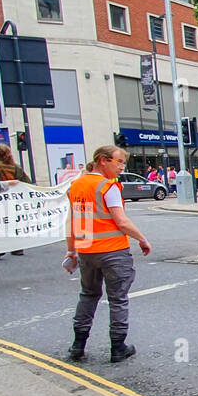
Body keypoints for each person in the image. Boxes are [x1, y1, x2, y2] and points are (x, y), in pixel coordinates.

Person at [64, 143, 151, 363]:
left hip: (86, 250)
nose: (122, 167)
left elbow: (72, 221)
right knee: (118, 299)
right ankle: (117, 347)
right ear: (103, 160)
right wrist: (142, 238)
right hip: (113, 251)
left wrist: (71, 251)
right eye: (119, 162)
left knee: (88, 295)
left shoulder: (76, 186)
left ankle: (78, 344)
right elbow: (121, 221)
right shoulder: (107, 187)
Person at [0, 144, 28, 258]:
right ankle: (17, 248)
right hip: (14, 201)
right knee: (14, 223)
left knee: (0, 224)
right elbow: (26, 183)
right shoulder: (15, 167)